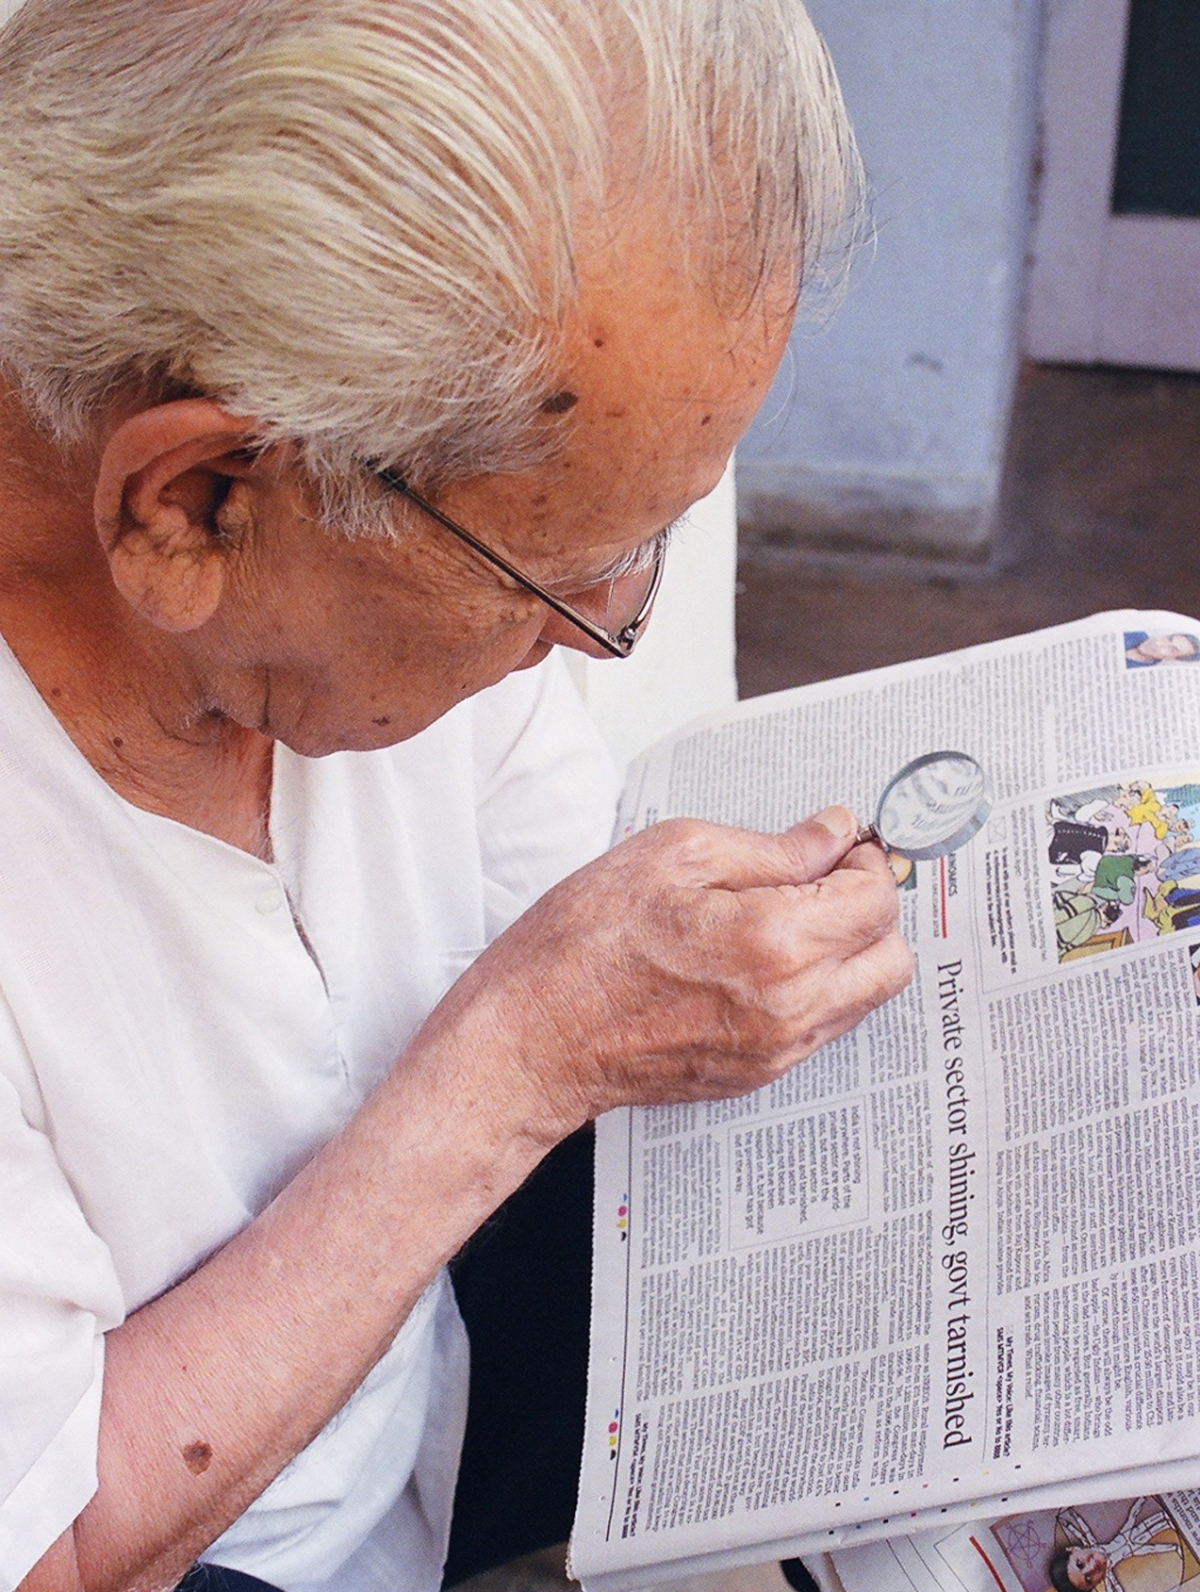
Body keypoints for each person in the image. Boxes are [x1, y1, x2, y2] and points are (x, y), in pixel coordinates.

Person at [0, 3, 914, 1590]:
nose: (609, 634)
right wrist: (512, 1062)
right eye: (557, 575)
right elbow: (54, 1541)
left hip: (433, 1451)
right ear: (197, 501)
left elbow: (585, 909)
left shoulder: (374, 550)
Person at [1048, 1498, 1180, 1591]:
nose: (1091, 1568)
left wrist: (1071, 1518)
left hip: (1127, 1534)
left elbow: (1080, 1527)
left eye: (1080, 1564)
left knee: (1134, 1516)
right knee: (1151, 1547)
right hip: (1134, 1548)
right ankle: (1175, 1546)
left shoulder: (1089, 1540)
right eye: (1088, 1579)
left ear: (1073, 1549)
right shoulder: (1109, 1576)